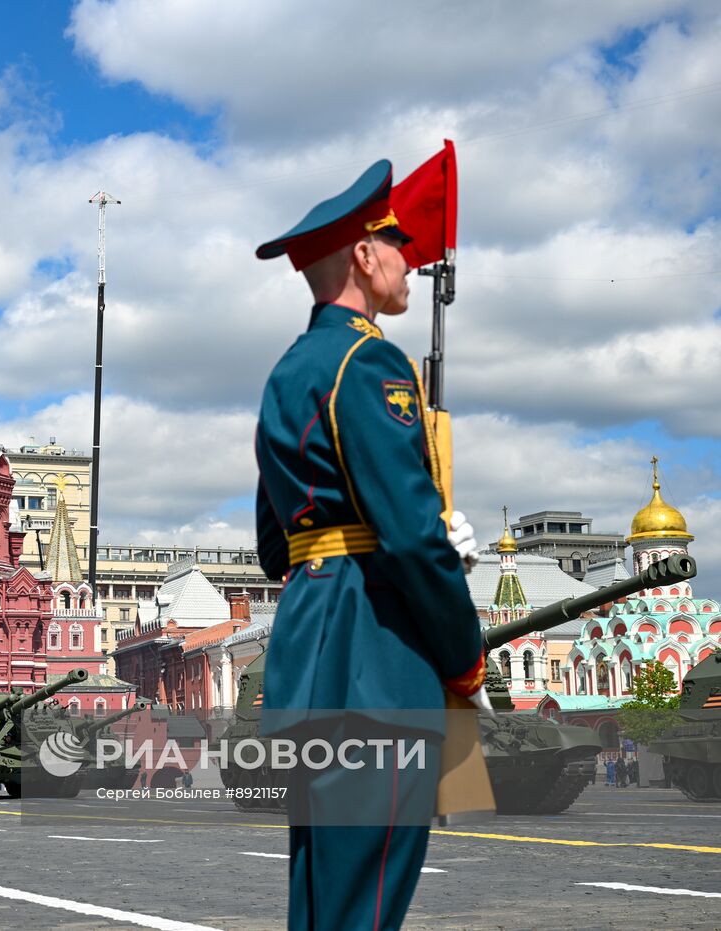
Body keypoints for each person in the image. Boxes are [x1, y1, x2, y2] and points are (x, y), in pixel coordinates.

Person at [253, 159, 486, 930]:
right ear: (362, 254)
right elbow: (414, 539)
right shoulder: (372, 359)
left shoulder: (287, 374)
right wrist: (465, 656)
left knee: (323, 901)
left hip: (307, 650)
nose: (409, 253)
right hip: (376, 656)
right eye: (394, 240)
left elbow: (273, 545)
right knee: (368, 908)